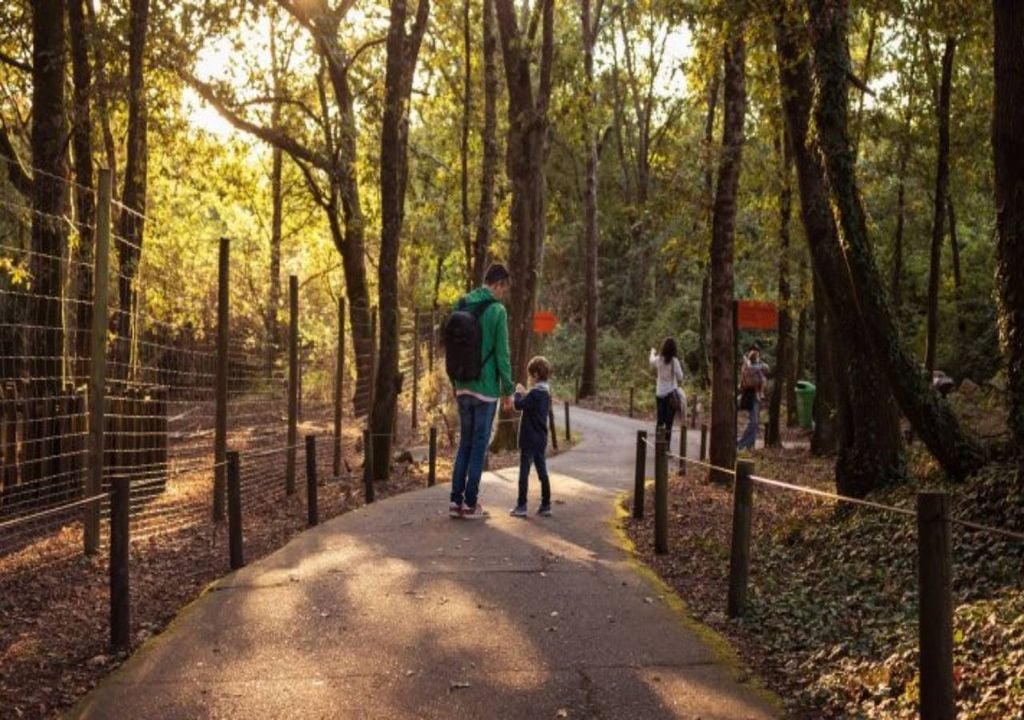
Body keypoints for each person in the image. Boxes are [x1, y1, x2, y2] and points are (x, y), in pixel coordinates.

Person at [448, 262, 515, 518]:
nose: (503, 293)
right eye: (503, 288)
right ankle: (470, 503)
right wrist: (507, 389)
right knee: (478, 446)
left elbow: (453, 348)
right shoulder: (497, 311)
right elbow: (502, 354)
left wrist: (455, 383)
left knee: (464, 443)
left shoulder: (462, 302)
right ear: (498, 284)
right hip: (486, 389)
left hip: (462, 384)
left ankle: (455, 502)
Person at [510, 356, 553, 518]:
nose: (529, 378)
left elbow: (519, 405)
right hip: (540, 438)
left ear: (535, 375)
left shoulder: (534, 393)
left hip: (529, 438)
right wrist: (526, 393)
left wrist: (518, 393)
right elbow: (533, 402)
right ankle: (546, 504)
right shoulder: (545, 393)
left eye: (530, 375)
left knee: (524, 473)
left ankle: (521, 505)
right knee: (542, 472)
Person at [650, 338, 684, 443]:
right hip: (671, 396)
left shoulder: (659, 360)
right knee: (669, 422)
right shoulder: (675, 362)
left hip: (659, 394)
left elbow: (651, 361)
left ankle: (658, 443)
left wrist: (652, 352)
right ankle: (666, 447)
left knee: (660, 421)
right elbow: (680, 377)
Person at [737, 344, 769, 450]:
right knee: (754, 421)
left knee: (755, 422)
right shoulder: (747, 363)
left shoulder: (759, 364)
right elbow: (751, 370)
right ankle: (742, 443)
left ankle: (748, 444)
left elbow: (765, 372)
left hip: (756, 393)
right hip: (750, 393)